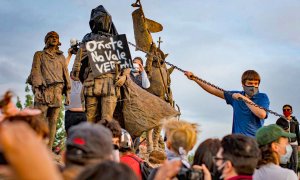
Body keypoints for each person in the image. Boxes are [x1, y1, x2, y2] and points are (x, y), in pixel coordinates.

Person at [185, 70, 270, 137]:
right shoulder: (235, 96)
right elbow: (214, 90)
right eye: (250, 83)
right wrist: (195, 79)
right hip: (236, 142)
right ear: (243, 84)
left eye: (256, 84)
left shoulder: (262, 97)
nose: (253, 86)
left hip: (254, 143)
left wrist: (243, 98)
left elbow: (262, 114)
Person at [71, 5, 119, 122]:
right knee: (89, 118)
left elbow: (125, 62)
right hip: (91, 81)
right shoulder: (88, 38)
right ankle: (90, 140)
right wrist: (75, 70)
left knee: (107, 120)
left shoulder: (115, 40)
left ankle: (104, 140)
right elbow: (80, 56)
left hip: (110, 82)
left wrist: (124, 76)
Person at [28, 31, 71, 149]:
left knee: (53, 121)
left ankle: (48, 150)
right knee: (39, 121)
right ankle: (36, 148)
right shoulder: (39, 55)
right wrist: (37, 89)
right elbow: (35, 71)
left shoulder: (61, 57)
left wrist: (67, 93)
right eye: (51, 37)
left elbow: (65, 74)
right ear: (46, 40)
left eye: (56, 37)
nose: (54, 39)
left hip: (57, 90)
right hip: (43, 90)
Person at [276, 104, 300, 173]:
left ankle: (294, 176)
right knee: (284, 161)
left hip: (294, 143)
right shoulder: (280, 120)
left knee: (295, 162)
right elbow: (277, 131)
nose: (286, 111)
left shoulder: (295, 121)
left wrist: (299, 144)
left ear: (291, 111)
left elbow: (297, 132)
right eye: (284, 110)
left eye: (288, 110)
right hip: (284, 144)